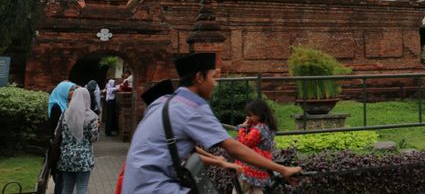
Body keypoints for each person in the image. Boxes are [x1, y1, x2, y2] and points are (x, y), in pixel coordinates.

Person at [121, 53, 301, 193]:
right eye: (213, 77)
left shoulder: (164, 102)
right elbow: (233, 147)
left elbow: (185, 149)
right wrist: (282, 169)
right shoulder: (193, 106)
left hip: (134, 185)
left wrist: (220, 162)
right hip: (157, 187)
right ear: (199, 77)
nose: (215, 84)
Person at [57, 87, 100, 194]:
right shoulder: (91, 117)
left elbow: (57, 133)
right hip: (83, 158)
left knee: (66, 187)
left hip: (66, 156)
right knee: (82, 187)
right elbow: (93, 138)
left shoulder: (65, 114)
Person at [236, 99, 278, 194]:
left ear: (260, 114)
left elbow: (245, 142)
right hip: (262, 163)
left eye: (251, 115)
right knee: (256, 189)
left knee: (240, 189)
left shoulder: (259, 128)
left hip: (250, 164)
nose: (250, 118)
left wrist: (242, 127)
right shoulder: (269, 127)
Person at [48, 81, 77, 194]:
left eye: (73, 89)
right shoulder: (56, 106)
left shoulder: (63, 103)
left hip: (63, 146)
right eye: (70, 90)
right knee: (60, 178)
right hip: (58, 146)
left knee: (62, 178)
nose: (72, 92)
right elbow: (56, 130)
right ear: (63, 91)